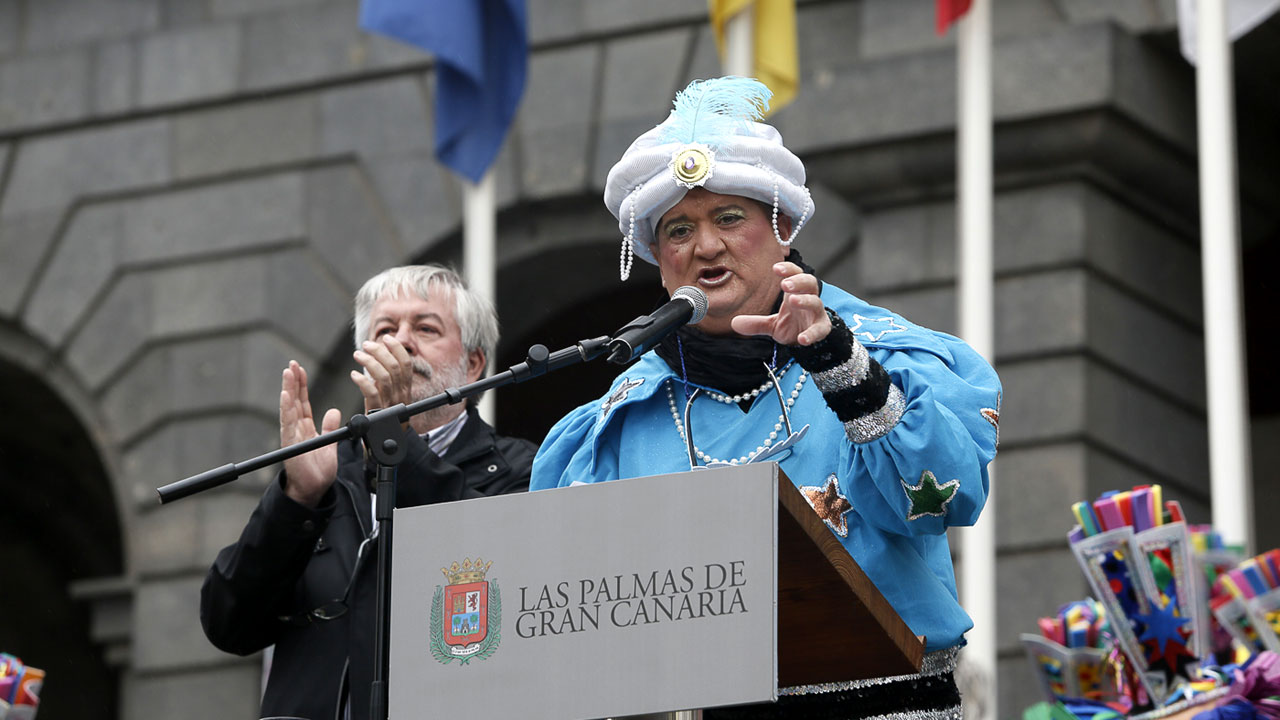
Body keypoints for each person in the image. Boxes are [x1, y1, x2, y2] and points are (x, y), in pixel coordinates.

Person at [531, 77, 1001, 718]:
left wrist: (841, 366)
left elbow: (943, 497)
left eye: (729, 218)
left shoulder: (895, 358)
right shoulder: (609, 428)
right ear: (657, 258)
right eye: (677, 230)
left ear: (780, 226)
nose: (705, 246)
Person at [201, 265, 535, 720]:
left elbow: (508, 588)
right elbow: (228, 625)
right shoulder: (326, 475)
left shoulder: (522, 469)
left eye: (425, 328)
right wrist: (294, 501)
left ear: (473, 364)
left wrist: (396, 445)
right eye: (385, 329)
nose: (401, 341)